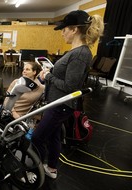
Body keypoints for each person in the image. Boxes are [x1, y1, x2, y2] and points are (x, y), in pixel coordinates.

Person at [31, 10, 104, 179]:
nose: (62, 32)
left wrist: (49, 75)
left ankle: (39, 168)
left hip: (61, 106)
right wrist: (51, 72)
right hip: (57, 103)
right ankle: (51, 169)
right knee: (53, 137)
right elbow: (65, 77)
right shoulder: (75, 52)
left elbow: (70, 86)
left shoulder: (80, 54)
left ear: (74, 30)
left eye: (64, 29)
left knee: (37, 137)